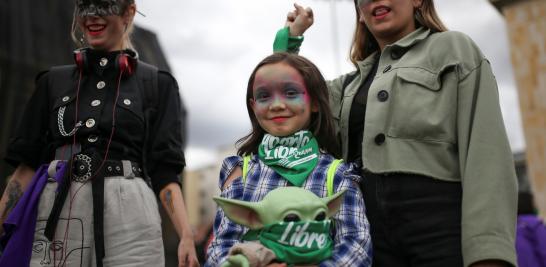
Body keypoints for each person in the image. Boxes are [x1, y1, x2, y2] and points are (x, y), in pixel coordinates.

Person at [274, 1, 518, 266]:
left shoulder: (454, 50)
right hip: (367, 238)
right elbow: (285, 99)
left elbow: (487, 156)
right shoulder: (346, 86)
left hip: (442, 231)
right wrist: (290, 40)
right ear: (361, 15)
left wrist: (489, 254)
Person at [0, 0, 199, 266]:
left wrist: (185, 233)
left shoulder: (157, 84)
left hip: (131, 212)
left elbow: (165, 171)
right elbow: (25, 166)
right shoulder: (51, 82)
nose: (92, 16)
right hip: (59, 206)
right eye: (84, 6)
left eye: (104, 5)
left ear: (129, 11)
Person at [205, 53, 372, 267]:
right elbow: (221, 247)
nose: (276, 105)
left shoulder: (337, 173)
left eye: (291, 92)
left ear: (314, 102)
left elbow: (356, 244)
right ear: (253, 106)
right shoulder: (239, 171)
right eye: (264, 96)